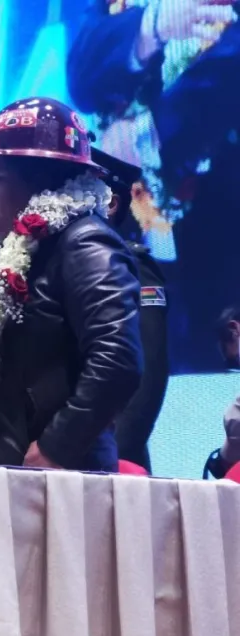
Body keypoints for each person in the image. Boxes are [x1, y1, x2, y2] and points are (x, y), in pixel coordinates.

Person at [0, 97, 143, 472]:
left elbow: (118, 359)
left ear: (42, 184)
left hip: (56, 479)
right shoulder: (4, 250)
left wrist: (58, 446)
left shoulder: (85, 243)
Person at [68, 0, 240, 373]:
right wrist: (152, 24)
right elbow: (82, 75)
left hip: (218, 212)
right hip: (131, 226)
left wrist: (149, 133)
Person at [93, 146, 170, 473]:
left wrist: (117, 459)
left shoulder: (134, 266)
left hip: (112, 464)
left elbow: (149, 372)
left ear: (110, 204)